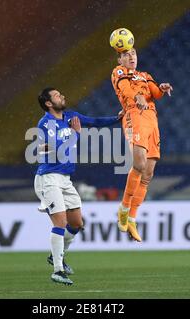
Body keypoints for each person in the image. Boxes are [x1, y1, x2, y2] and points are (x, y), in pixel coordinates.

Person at [34, 88, 123, 285]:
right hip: (48, 177)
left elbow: (95, 122)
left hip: (65, 179)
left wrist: (118, 118)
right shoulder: (46, 123)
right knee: (59, 222)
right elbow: (58, 148)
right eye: (57, 95)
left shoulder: (71, 116)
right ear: (48, 103)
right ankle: (58, 270)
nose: (62, 96)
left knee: (76, 224)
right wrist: (75, 134)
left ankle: (55, 255)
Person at [111, 47, 173, 241]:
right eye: (127, 55)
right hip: (133, 115)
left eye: (134, 54)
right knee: (139, 164)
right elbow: (126, 90)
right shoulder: (119, 72)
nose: (131, 58)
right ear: (120, 59)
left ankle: (132, 218)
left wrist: (162, 88)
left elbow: (155, 93)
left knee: (148, 174)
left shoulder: (145, 75)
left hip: (151, 120)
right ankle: (123, 207)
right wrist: (136, 97)